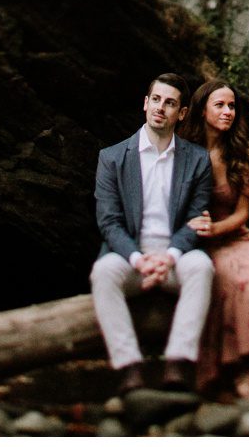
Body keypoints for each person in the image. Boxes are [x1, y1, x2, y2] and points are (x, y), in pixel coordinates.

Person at [91, 72, 216, 394]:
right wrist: (138, 259)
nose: (161, 108)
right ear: (146, 104)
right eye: (156, 100)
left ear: (182, 113)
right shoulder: (112, 158)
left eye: (170, 103)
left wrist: (168, 257)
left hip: (176, 255)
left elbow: (196, 218)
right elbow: (109, 222)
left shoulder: (198, 159)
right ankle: (130, 366)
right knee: (102, 273)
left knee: (202, 267)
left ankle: (178, 362)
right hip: (129, 254)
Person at [179, 79, 249, 400]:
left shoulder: (242, 154)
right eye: (220, 105)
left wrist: (217, 229)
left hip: (234, 235)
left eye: (232, 106)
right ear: (202, 111)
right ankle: (224, 370)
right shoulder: (183, 152)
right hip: (198, 242)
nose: (228, 112)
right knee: (235, 280)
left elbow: (243, 213)